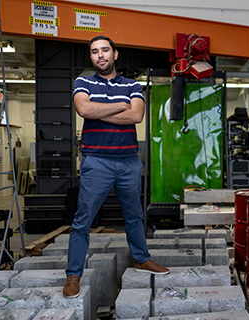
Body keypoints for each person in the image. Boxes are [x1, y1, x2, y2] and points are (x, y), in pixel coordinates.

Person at [63, 35, 169, 299]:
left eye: (105, 50)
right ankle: (73, 275)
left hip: (128, 161)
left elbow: (136, 115)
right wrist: (118, 105)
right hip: (96, 161)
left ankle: (142, 259)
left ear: (115, 54)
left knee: (134, 216)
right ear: (91, 57)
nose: (100, 55)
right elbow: (84, 110)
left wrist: (104, 110)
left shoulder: (132, 84)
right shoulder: (83, 81)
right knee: (82, 220)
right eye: (94, 52)